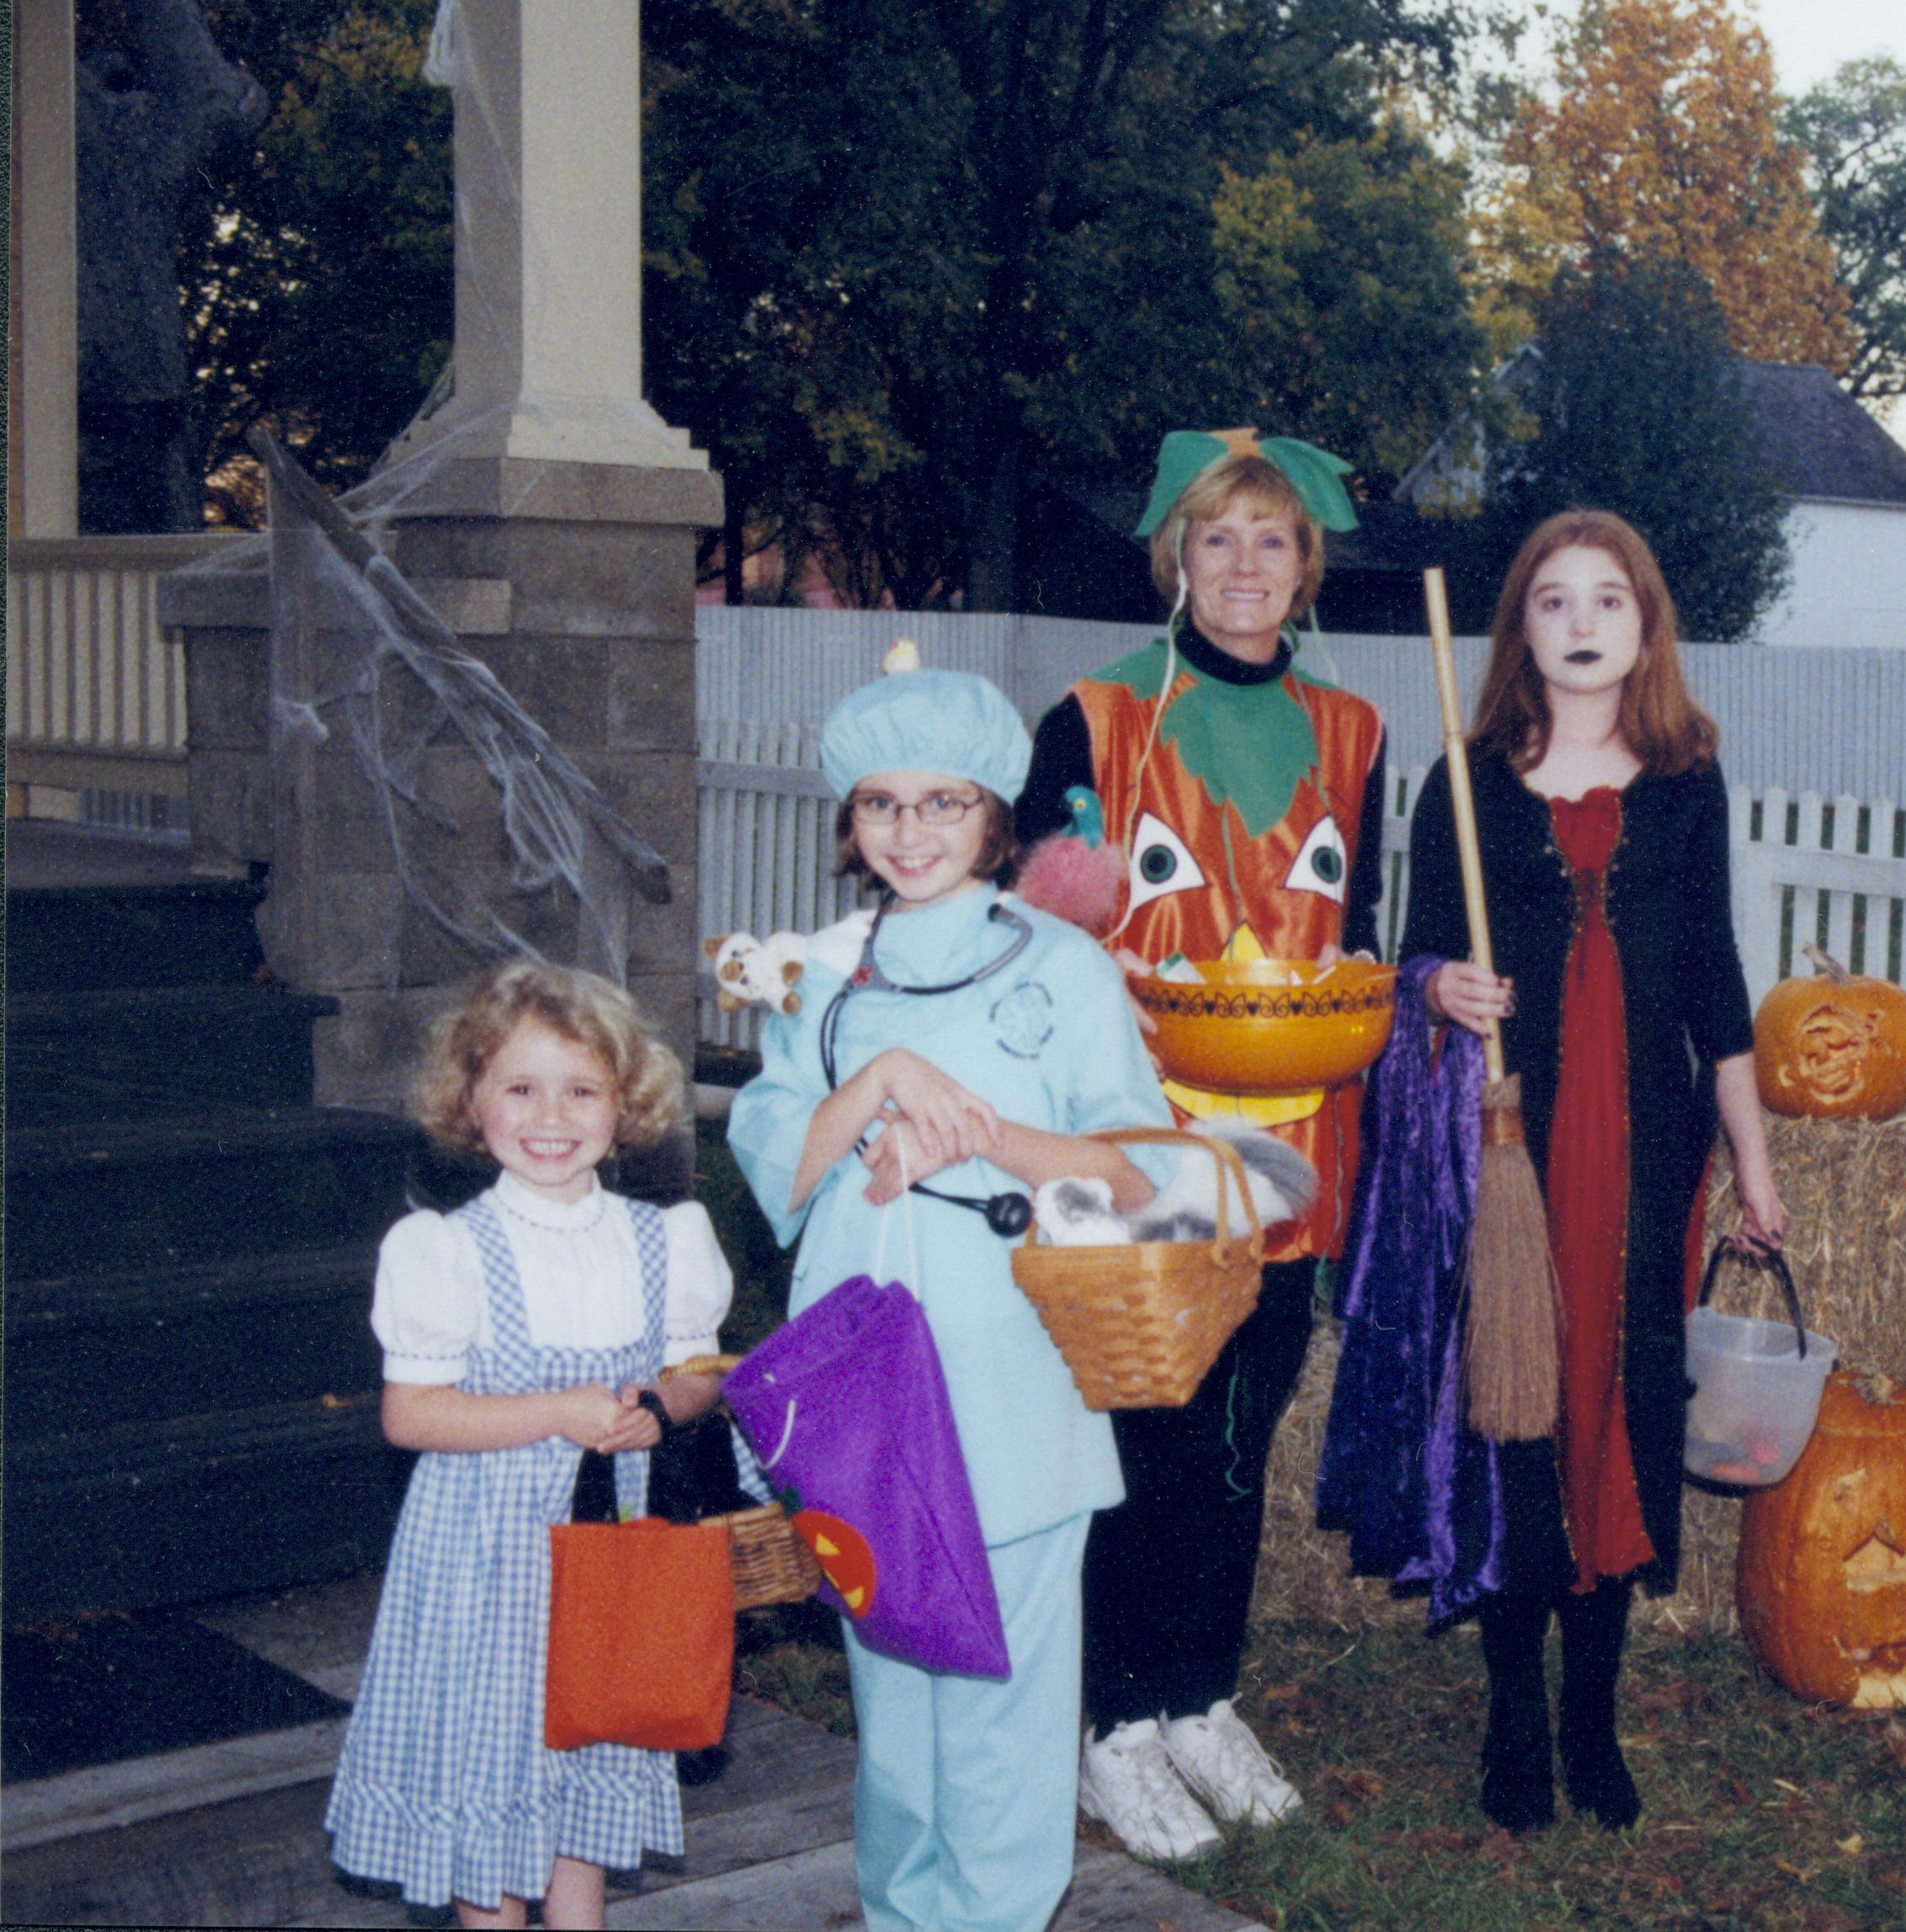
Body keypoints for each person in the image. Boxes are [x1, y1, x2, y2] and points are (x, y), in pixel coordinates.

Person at [728, 663, 1176, 1932]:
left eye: (941, 802)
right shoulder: (822, 984)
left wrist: (982, 1142)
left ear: (994, 815)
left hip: (1013, 1381)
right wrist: (877, 1086)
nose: (909, 832)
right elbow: (779, 1166)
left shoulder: (1067, 970)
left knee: (1002, 1711)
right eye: (880, 803)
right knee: (895, 1714)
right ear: (848, 821)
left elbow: (1143, 1173)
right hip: (864, 1402)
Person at [1014, 428, 1387, 1860]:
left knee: (1246, 1425)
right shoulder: (1097, 716)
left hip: (1297, 1144)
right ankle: (1111, 1718)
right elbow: (1037, 939)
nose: (1245, 565)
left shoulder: (1354, 731)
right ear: (1175, 553)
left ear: (1306, 568)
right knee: (1153, 1427)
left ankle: (1198, 1690)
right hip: (1146, 1146)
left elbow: (1355, 930)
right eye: (1217, 537)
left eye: (1274, 540)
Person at [1406, 509, 1789, 1834]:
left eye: (1607, 601)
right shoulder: (1459, 782)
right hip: (1504, 1148)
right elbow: (1402, 963)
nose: (1579, 624)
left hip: (1641, 1152)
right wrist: (1435, 987)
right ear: (1518, 626)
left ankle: (1592, 1718)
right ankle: (1514, 1719)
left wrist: (1754, 1160)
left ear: (1645, 626)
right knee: (1516, 1408)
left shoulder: (1687, 784)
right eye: (1552, 601)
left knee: (1617, 1408)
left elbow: (1715, 978)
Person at [325, 962, 730, 1930]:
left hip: (614, 1551)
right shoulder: (447, 1248)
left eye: (581, 1089)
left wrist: (662, 1408)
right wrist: (555, 1410)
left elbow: (703, 1375)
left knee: (588, 1781)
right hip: (487, 1560)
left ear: (623, 1104)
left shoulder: (662, 1236)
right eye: (520, 1086)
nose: (552, 1115)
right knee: (495, 1790)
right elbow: (411, 1414)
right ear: (471, 1101)